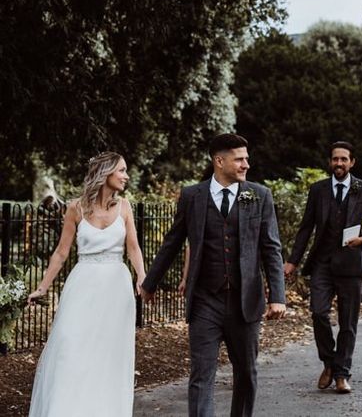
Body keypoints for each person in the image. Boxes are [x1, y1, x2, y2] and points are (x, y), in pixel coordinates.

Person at [141, 133, 286, 417]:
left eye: (246, 158)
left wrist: (277, 297)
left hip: (246, 301)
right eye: (240, 159)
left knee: (246, 373)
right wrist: (150, 283)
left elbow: (271, 248)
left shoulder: (259, 195)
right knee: (201, 375)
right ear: (219, 161)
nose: (246, 164)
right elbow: (173, 242)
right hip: (205, 300)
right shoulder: (192, 196)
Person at [27, 152, 145, 417]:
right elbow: (61, 252)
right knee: (70, 346)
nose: (126, 176)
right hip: (82, 285)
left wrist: (141, 275)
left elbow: (134, 247)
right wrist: (43, 287)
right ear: (105, 174)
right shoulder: (76, 208)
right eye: (122, 170)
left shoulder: (125, 207)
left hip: (116, 287)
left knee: (109, 353)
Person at [284, 141, 362, 394]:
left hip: (351, 264)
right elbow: (306, 227)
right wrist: (293, 260)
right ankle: (329, 362)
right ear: (330, 162)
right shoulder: (318, 189)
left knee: (348, 323)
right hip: (322, 263)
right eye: (335, 159)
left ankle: (342, 373)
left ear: (352, 163)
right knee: (318, 313)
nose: (338, 163)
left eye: (343, 159)